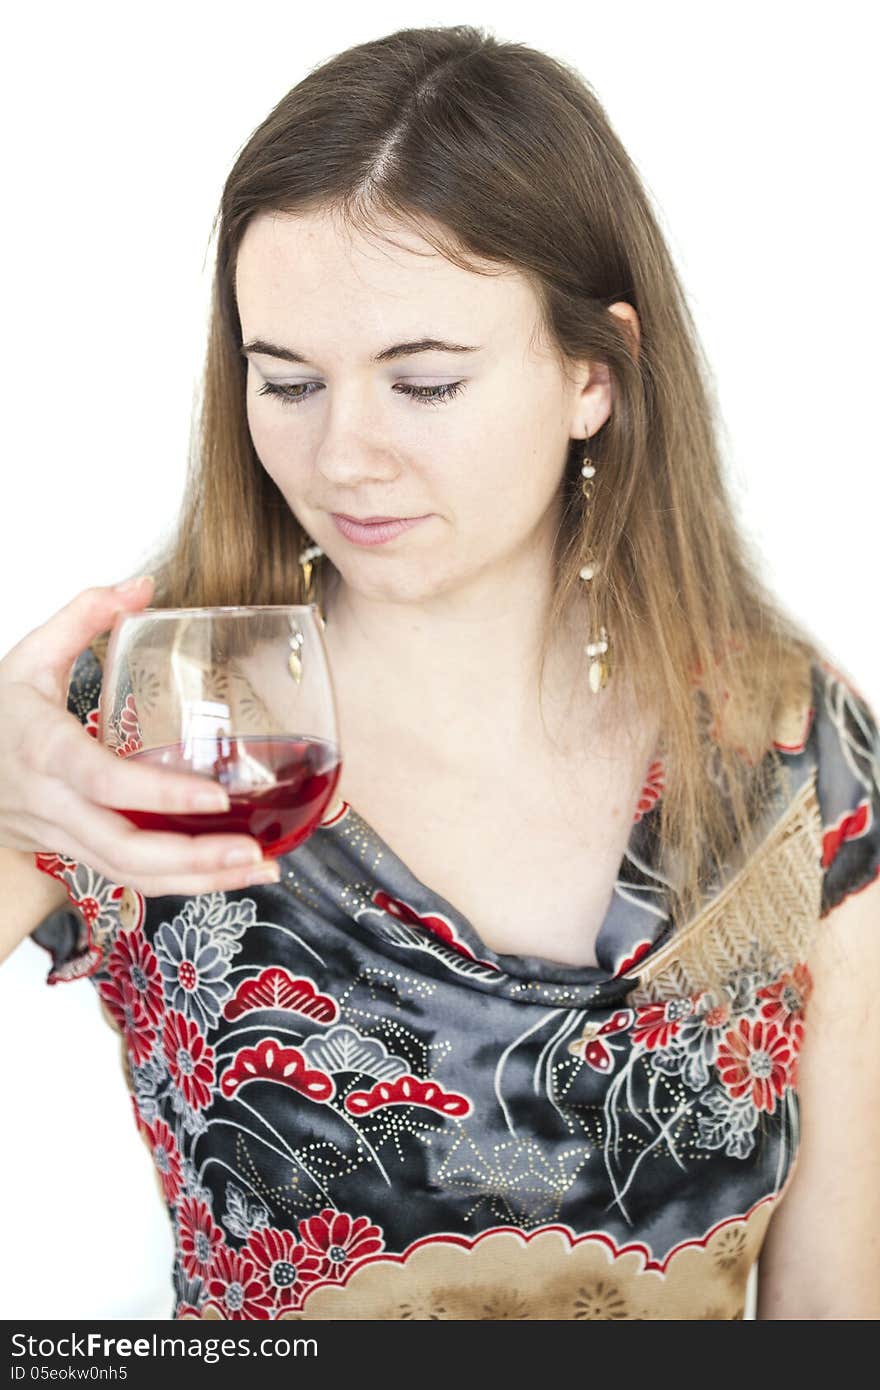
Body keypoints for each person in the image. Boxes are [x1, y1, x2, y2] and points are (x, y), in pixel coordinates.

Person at [1, 24, 878, 1321]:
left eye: (422, 382)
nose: (344, 453)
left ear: (597, 373)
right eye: (286, 379)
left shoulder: (787, 744)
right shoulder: (152, 729)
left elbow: (833, 1311)